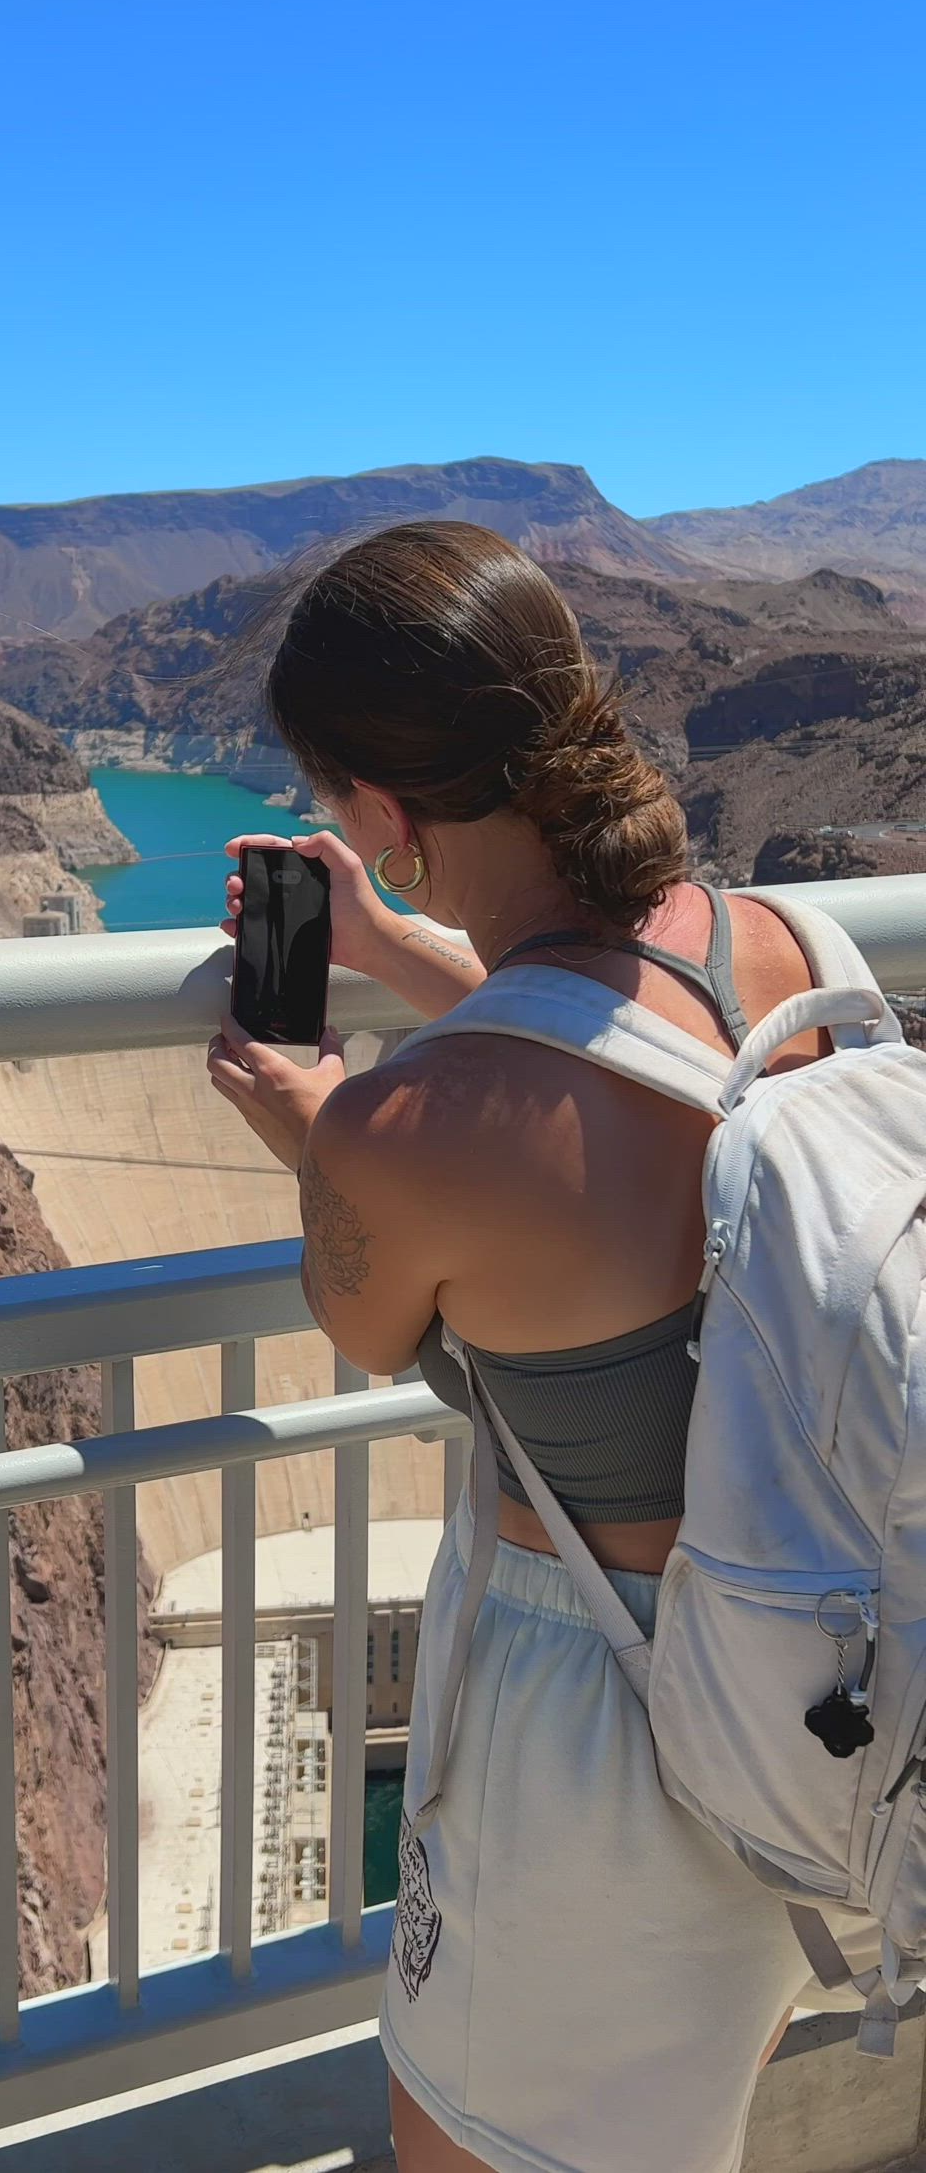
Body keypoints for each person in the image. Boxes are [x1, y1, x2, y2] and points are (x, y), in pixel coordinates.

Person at [206, 519, 878, 2173]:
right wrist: (390, 946)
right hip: (823, 1676)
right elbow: (611, 1032)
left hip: (600, 1750)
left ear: (376, 812)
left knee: (480, 2142)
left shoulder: (409, 1127)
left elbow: (371, 1322)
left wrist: (322, 1126)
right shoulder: (784, 955)